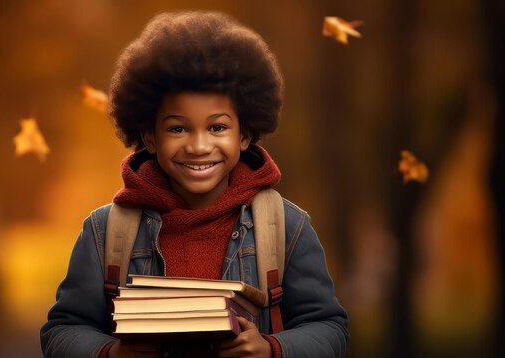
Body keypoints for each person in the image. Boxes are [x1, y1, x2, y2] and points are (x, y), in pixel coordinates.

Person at [41, 11, 348, 358]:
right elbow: (61, 331)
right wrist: (111, 353)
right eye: (177, 128)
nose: (199, 146)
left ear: (244, 135)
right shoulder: (104, 232)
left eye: (217, 127)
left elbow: (329, 328)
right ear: (150, 137)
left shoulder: (286, 228)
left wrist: (273, 348)